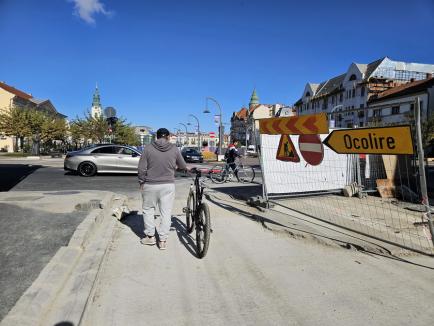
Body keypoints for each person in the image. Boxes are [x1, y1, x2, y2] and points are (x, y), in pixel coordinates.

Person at [138, 128, 187, 250]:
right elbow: (183, 166)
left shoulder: (148, 148)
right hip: (168, 185)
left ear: (157, 136)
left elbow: (141, 168)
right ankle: (163, 241)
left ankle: (150, 237)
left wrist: (141, 182)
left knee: (148, 210)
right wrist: (175, 168)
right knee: (166, 212)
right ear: (168, 137)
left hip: (150, 184)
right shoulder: (174, 149)